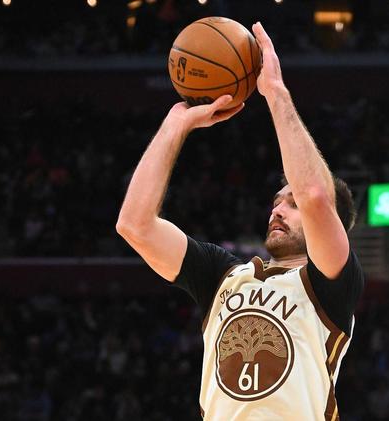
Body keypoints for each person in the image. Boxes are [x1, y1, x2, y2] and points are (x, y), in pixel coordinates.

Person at [116, 22, 364, 420]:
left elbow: (316, 196)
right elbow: (135, 225)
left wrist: (275, 92)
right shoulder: (223, 275)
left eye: (292, 204)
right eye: (277, 201)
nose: (278, 209)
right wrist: (175, 125)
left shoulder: (332, 283)